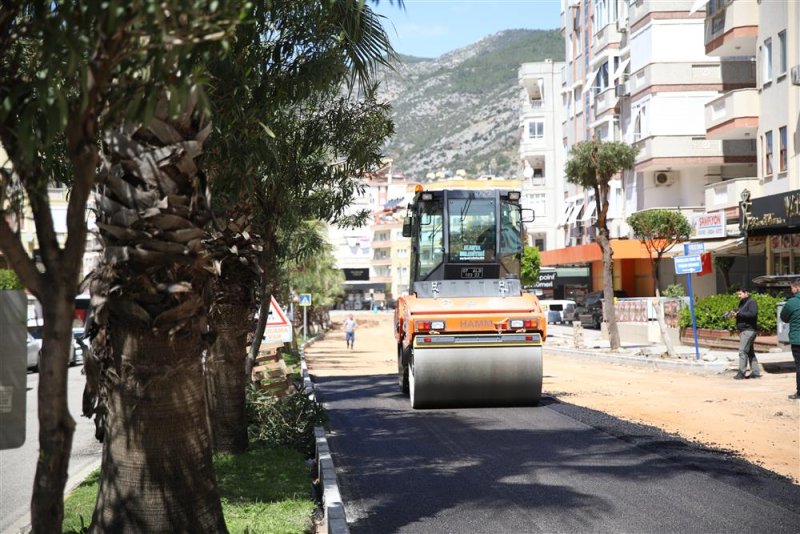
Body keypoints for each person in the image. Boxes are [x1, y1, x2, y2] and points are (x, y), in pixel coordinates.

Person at [728, 288, 762, 380]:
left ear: (746, 293)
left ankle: (741, 373)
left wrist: (738, 314)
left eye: (740, 294)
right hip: (744, 330)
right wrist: (733, 314)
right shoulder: (742, 303)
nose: (739, 296)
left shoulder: (752, 302)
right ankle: (756, 373)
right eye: (738, 295)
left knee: (742, 351)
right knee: (750, 352)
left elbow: (752, 314)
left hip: (749, 330)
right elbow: (742, 314)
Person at [779, 278, 800, 400]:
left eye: (792, 288)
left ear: (797, 288)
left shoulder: (792, 302)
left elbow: (784, 318)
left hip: (797, 340)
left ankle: (799, 392)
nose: (791, 290)